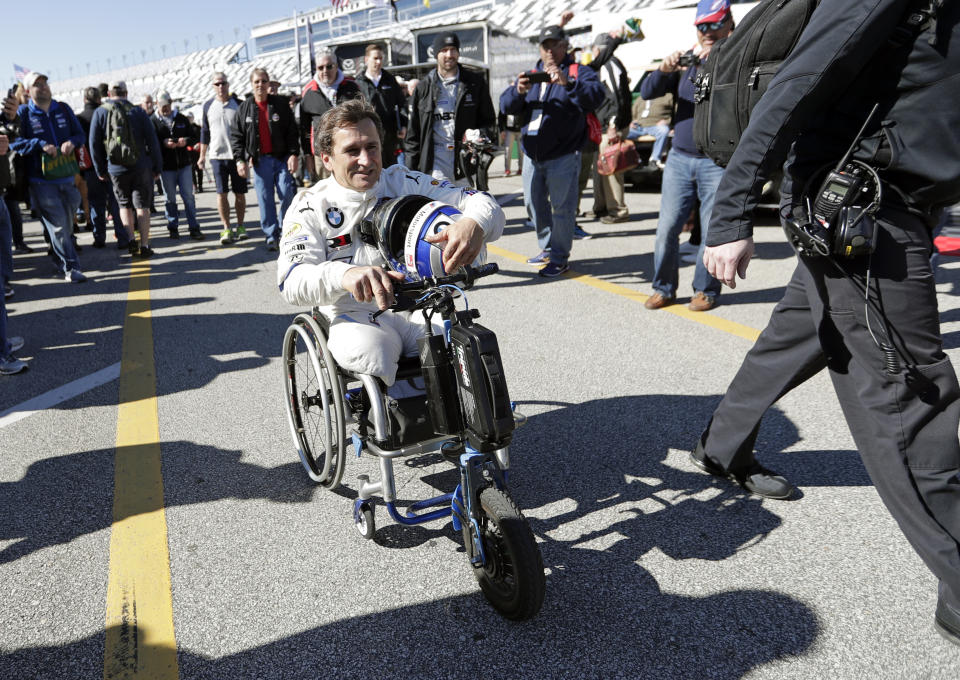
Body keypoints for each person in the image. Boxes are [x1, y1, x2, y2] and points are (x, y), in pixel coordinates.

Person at [689, 0, 960, 648]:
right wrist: (729, 215)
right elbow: (800, 79)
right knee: (910, 402)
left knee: (797, 336)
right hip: (864, 210)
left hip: (891, 206)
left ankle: (720, 446)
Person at [276, 99, 504, 385]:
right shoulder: (309, 206)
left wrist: (474, 224)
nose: (366, 160)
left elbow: (482, 202)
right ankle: (389, 423)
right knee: (374, 352)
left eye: (371, 147)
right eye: (351, 151)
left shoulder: (403, 181)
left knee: (465, 342)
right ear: (326, 159)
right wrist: (345, 275)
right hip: (355, 313)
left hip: (419, 304)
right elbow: (291, 281)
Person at [639, 0, 731, 311]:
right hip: (680, 158)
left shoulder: (734, 57)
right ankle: (663, 287)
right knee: (667, 228)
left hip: (715, 160)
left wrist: (715, 61)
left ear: (728, 23)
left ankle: (706, 290)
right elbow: (647, 91)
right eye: (701, 26)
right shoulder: (688, 60)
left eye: (713, 25)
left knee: (711, 230)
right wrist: (665, 68)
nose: (706, 32)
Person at [499, 24, 604, 278]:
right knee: (534, 206)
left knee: (562, 209)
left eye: (553, 45)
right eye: (544, 46)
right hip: (533, 156)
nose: (548, 50)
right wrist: (518, 91)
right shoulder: (532, 74)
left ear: (564, 46)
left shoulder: (579, 71)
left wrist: (568, 83)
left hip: (563, 156)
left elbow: (595, 96)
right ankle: (547, 248)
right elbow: (505, 105)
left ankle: (559, 257)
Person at [11, 72, 87, 282]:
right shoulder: (24, 114)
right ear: (28, 91)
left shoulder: (62, 108)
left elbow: (80, 134)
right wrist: (40, 145)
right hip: (41, 181)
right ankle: (71, 268)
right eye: (37, 84)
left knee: (68, 224)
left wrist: (72, 142)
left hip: (67, 176)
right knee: (60, 225)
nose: (43, 87)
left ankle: (58, 255)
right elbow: (14, 143)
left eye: (45, 83)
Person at [404, 31, 497, 186]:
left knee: (469, 209)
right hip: (435, 167)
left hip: (467, 165)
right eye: (443, 50)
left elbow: (489, 122)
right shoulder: (423, 88)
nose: (449, 54)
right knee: (442, 209)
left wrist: (479, 135)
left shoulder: (475, 83)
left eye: (453, 49)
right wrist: (409, 174)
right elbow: (413, 136)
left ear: (458, 52)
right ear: (436, 54)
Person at [89, 80, 163, 258]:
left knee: (124, 205)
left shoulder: (101, 112)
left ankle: (131, 242)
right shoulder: (138, 111)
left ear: (108, 94)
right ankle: (144, 245)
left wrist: (100, 170)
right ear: (126, 92)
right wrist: (157, 166)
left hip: (115, 168)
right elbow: (152, 141)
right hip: (141, 166)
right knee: (142, 206)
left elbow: (93, 144)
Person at [231, 68, 300, 251]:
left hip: (282, 159)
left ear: (269, 83)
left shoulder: (280, 104)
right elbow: (237, 137)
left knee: (287, 194)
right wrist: (240, 160)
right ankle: (271, 234)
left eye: (264, 81)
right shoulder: (244, 108)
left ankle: (286, 231)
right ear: (252, 84)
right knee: (265, 199)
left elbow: (292, 131)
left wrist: (294, 154)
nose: (260, 85)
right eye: (257, 82)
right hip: (260, 162)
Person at [199, 72, 248, 245]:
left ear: (228, 84)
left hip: (237, 157)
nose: (220, 87)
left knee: (240, 194)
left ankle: (240, 226)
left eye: (223, 83)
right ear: (213, 86)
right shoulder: (207, 106)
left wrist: (247, 156)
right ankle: (226, 227)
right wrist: (202, 156)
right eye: (217, 84)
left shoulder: (239, 104)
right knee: (221, 194)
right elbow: (204, 133)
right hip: (217, 157)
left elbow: (246, 131)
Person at [76, 86, 127, 249]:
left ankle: (99, 238)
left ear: (84, 100)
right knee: (116, 202)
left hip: (90, 168)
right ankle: (122, 237)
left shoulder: (79, 119)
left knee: (96, 204)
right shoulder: (107, 112)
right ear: (99, 99)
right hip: (112, 164)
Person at [300, 52, 362, 183]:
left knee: (350, 189)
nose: (325, 71)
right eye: (320, 67)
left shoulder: (352, 87)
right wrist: (307, 155)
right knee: (326, 195)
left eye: (329, 66)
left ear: (336, 66)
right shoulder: (308, 92)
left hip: (350, 150)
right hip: (322, 155)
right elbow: (304, 128)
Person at [591, 33, 632, 225]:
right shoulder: (608, 64)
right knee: (600, 169)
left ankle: (618, 210)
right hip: (604, 126)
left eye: (594, 48)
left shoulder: (609, 65)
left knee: (611, 169)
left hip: (611, 126)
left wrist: (613, 125)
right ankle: (601, 207)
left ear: (600, 48)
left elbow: (616, 98)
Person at [151, 91, 204, 241]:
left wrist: (185, 141)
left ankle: (194, 227)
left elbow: (193, 136)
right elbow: (150, 143)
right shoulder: (153, 121)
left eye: (167, 105)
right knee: (170, 199)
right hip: (166, 167)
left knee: (188, 197)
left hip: (184, 165)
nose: (165, 109)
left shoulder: (181, 118)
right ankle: (173, 227)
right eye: (162, 106)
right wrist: (163, 144)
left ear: (171, 102)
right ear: (157, 105)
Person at [355, 44, 407, 168]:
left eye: (381, 58)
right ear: (367, 59)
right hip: (367, 135)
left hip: (390, 136)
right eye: (375, 58)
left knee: (391, 172)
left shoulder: (390, 80)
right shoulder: (358, 82)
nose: (378, 62)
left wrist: (403, 125)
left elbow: (402, 104)